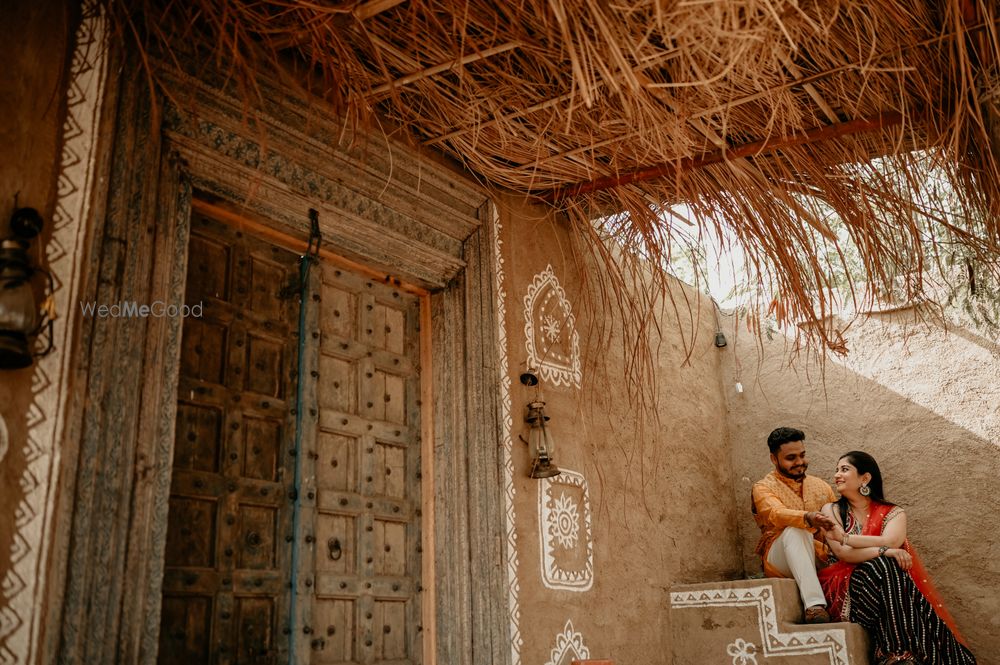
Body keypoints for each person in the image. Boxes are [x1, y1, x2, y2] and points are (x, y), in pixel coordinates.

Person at [817, 451, 976, 665]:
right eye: (836, 470)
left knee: (887, 569)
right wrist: (883, 551)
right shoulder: (832, 510)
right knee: (885, 564)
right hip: (849, 596)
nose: (837, 475)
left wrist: (847, 537)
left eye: (844, 469)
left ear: (865, 478)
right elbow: (844, 553)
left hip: (887, 593)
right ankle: (905, 653)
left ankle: (897, 654)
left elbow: (891, 541)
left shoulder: (893, 512)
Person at [751, 427, 838, 623]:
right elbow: (775, 513)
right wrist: (807, 517)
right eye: (791, 458)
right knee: (795, 531)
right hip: (780, 557)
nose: (799, 462)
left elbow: (837, 524)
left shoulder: (822, 487)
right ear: (774, 459)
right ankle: (815, 606)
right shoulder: (763, 487)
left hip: (820, 554)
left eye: (802, 455)